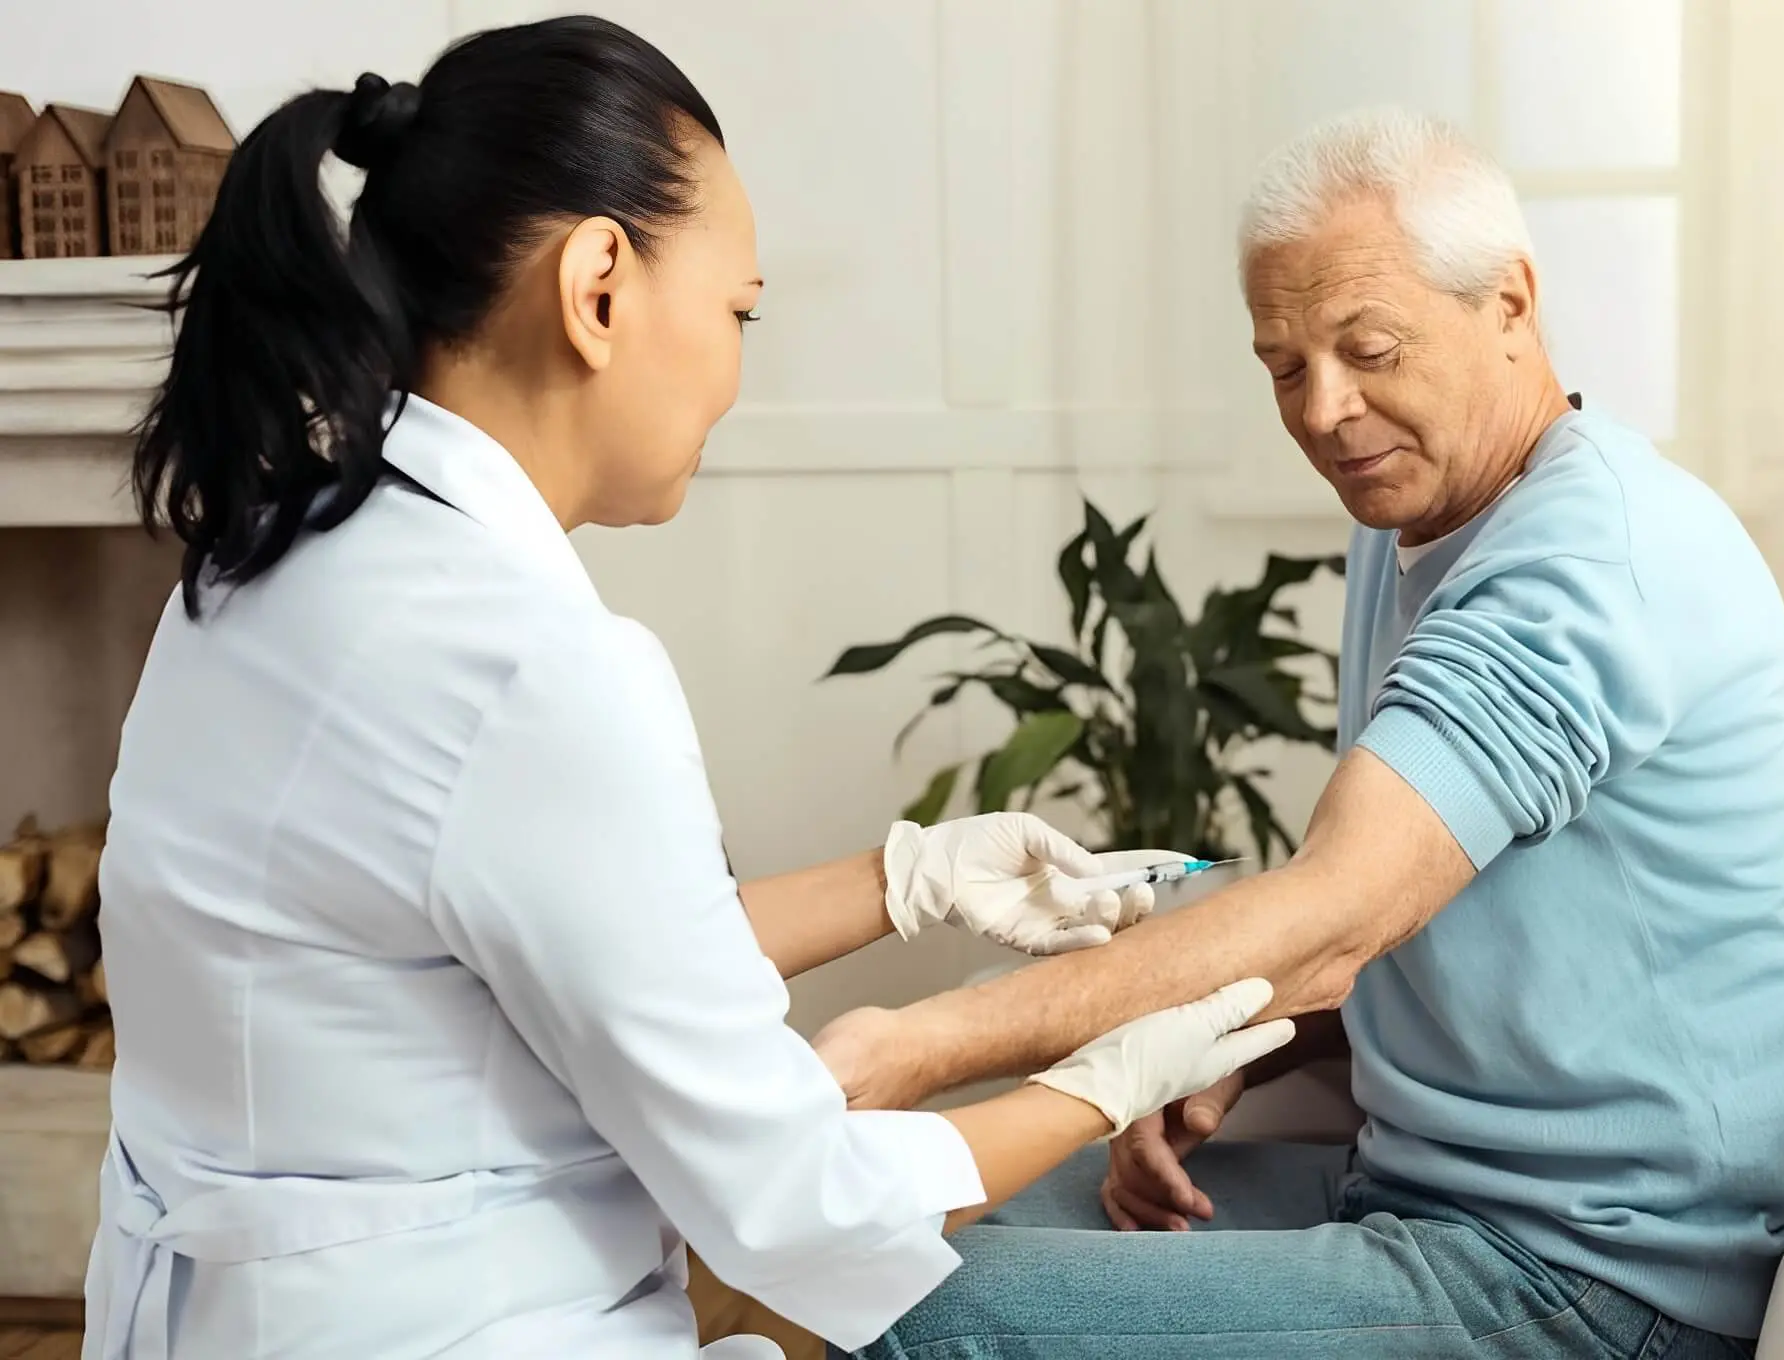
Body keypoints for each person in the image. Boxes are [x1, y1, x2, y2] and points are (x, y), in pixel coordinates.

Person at [80, 18, 1299, 1360]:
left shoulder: (266, 561)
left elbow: (536, 945)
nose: (735, 367)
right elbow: (792, 1208)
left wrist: (910, 878)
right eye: (738, 312)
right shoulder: (531, 670)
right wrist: (1101, 1079)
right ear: (599, 286)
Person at [825, 108, 1784, 1358]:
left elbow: (1339, 907)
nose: (1324, 410)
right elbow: (1408, 921)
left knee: (916, 1320)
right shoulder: (1411, 519)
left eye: (1369, 349)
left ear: (1512, 306)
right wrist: (1213, 1054)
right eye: (1282, 366)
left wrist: (921, 1042)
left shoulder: (1588, 565)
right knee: (863, 1254)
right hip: (1416, 1197)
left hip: (1593, 1277)